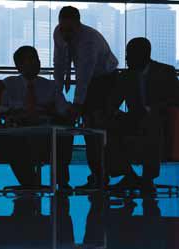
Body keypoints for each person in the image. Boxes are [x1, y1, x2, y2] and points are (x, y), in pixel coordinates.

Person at [104, 37, 179, 193]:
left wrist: (151, 109)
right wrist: (112, 113)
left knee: (151, 123)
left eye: (130, 54)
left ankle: (147, 178)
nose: (126, 59)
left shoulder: (165, 72)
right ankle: (129, 175)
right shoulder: (126, 76)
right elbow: (113, 102)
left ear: (144, 55)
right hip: (134, 119)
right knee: (107, 126)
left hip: (161, 120)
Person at [53, 6, 119, 190]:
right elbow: (59, 63)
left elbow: (84, 76)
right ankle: (98, 176)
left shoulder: (89, 40)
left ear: (78, 24)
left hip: (105, 80)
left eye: (70, 30)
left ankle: (99, 176)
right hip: (91, 79)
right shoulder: (58, 33)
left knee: (93, 128)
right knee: (90, 127)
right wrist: (56, 94)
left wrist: (77, 105)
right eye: (63, 28)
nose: (65, 34)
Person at [0, 46, 74, 190]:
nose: (36, 63)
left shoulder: (50, 85)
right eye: (30, 59)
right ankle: (31, 185)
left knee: (62, 135)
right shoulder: (9, 84)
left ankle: (59, 183)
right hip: (20, 131)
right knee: (16, 142)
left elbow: (64, 111)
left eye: (36, 59)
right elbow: (1, 109)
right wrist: (18, 112)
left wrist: (53, 111)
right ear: (19, 65)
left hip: (46, 132)